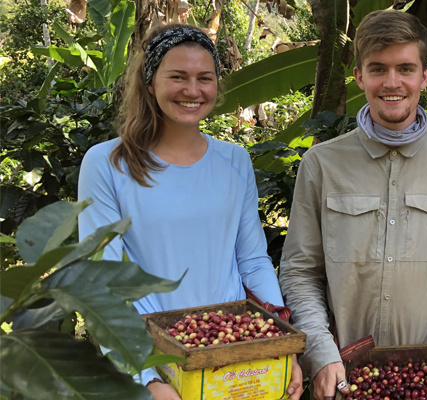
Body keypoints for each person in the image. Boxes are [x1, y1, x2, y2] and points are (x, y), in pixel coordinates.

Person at [278, 10, 427, 400]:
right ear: (360, 76)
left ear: (425, 75)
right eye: (378, 69)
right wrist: (319, 351)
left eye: (405, 68)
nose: (392, 83)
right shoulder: (322, 163)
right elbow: (300, 271)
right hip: (342, 376)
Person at [77, 24, 303, 400]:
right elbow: (102, 283)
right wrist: (147, 380)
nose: (192, 90)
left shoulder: (234, 160)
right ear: (150, 82)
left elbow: (252, 261)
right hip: (154, 361)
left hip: (235, 354)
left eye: (205, 78)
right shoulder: (108, 163)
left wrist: (280, 348)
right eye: (177, 77)